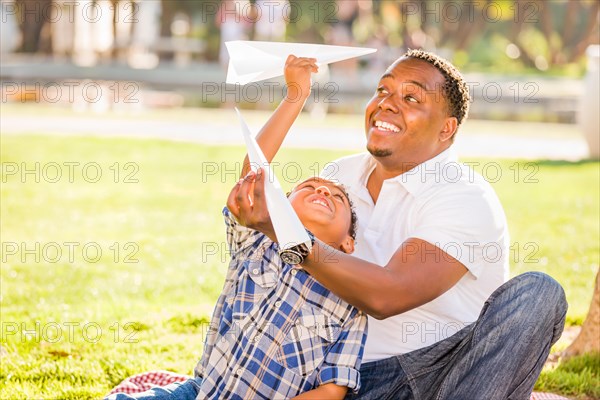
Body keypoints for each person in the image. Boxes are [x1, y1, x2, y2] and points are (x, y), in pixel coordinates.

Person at [229, 49, 568, 399]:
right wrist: (295, 96)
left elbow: (387, 295)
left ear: (446, 128)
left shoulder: (465, 197)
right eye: (382, 90)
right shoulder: (339, 177)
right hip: (333, 379)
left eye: (410, 97)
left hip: (439, 377)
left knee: (538, 293)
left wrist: (293, 239)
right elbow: (258, 198)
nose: (387, 103)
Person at [108, 56, 367, 400]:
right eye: (309, 187)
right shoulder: (260, 242)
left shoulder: (352, 301)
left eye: (336, 196)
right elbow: (255, 170)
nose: (322, 190)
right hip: (200, 393)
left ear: (349, 242)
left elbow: (332, 391)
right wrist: (296, 95)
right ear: (278, 208)